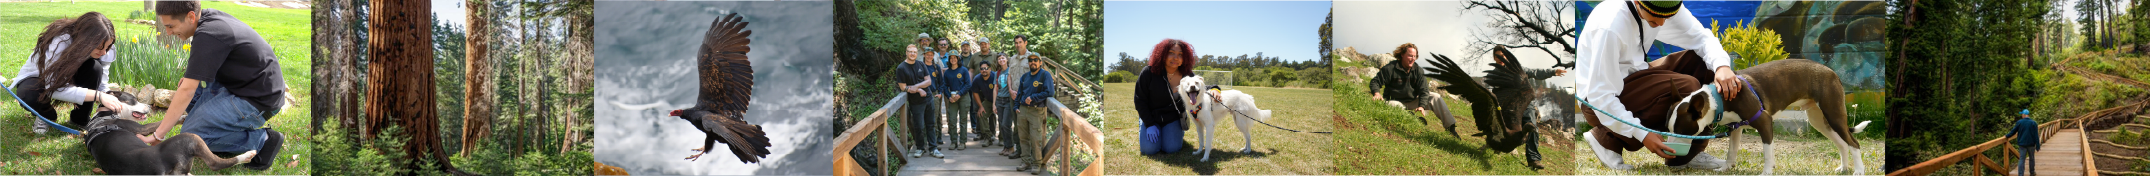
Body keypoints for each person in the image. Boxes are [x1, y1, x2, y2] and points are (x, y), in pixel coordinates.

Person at [1577, 0, 1739, 170]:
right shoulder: (1610, 25)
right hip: (1596, 102)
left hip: (1636, 76)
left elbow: (1701, 37)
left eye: (1667, 17)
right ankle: (1607, 138)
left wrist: (1722, 66)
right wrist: (1643, 134)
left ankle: (1686, 155)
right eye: (1656, 16)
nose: (1661, 23)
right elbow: (1600, 95)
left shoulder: (1665, 5)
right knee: (1687, 86)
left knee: (1706, 64)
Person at [148, 0, 290, 170]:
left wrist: (158, 135)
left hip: (258, 99)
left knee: (192, 137)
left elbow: (187, 91)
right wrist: (188, 78)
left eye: (170, 26)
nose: (168, 32)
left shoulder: (209, 34)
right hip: (240, 85)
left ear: (191, 17)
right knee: (189, 91)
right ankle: (214, 131)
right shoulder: (207, 20)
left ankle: (263, 140)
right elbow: (201, 68)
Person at [14, 13, 149, 134]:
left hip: (72, 76)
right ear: (85, 41)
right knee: (28, 94)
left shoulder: (105, 45)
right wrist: (99, 96)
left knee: (95, 68)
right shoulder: (60, 42)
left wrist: (109, 98)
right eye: (99, 48)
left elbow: (102, 84)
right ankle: (46, 116)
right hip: (41, 78)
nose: (104, 52)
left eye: (108, 47)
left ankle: (80, 118)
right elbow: (53, 88)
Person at [1367, 43, 1460, 136]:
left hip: (1413, 101)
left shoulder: (1418, 70)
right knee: (1392, 105)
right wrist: (1376, 93)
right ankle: (1415, 119)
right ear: (1402, 54)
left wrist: (1422, 106)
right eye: (1410, 56)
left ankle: (1451, 129)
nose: (1413, 59)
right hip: (1395, 101)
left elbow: (1424, 90)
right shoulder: (1390, 68)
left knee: (1435, 97)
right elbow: (1375, 81)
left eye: (1415, 56)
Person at [1134, 39, 1195, 155]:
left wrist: (1215, 89)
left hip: (1173, 118)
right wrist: (1149, 124)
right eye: (1171, 53)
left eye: (1180, 54)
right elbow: (1139, 100)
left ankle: (1175, 132)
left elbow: (1201, 87)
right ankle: (1144, 125)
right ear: (1162, 54)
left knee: (1172, 149)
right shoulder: (1148, 72)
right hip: (1151, 117)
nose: (1176, 58)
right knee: (1149, 150)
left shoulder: (1187, 75)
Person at [1016, 55, 1056, 174]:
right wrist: (1016, 106)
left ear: (1040, 62)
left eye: (1035, 60)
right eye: (1030, 60)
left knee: (1035, 138)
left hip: (1036, 110)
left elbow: (1050, 92)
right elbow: (1019, 93)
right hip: (1022, 109)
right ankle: (1025, 161)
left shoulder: (1045, 75)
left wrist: (1033, 97)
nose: (1032, 62)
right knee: (1023, 137)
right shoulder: (1025, 76)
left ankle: (1036, 163)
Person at [895, 42, 935, 158]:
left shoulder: (921, 64)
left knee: (931, 124)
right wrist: (918, 90)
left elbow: (928, 81)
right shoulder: (901, 68)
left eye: (914, 52)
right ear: (906, 53)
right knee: (919, 126)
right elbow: (903, 87)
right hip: (916, 102)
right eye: (910, 52)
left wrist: (916, 87)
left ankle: (933, 148)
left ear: (917, 54)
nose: (912, 54)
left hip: (928, 98)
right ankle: (920, 148)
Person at [942, 41, 972, 151]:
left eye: (955, 58)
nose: (953, 59)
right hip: (952, 98)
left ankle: (962, 142)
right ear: (949, 59)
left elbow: (968, 84)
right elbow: (944, 86)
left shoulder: (963, 70)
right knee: (952, 120)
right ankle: (953, 141)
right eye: (951, 58)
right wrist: (949, 96)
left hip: (963, 97)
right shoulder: (947, 72)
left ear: (958, 59)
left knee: (963, 120)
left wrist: (960, 94)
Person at [2006, 109, 2039, 176]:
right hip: (2031, 144)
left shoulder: (2019, 122)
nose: (2021, 115)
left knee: (2021, 159)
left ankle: (2021, 174)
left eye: (2022, 114)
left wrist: (2006, 136)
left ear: (2024, 115)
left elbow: (2013, 131)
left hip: (2022, 144)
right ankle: (2032, 172)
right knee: (2032, 158)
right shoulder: (2033, 123)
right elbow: (2036, 135)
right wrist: (2038, 145)